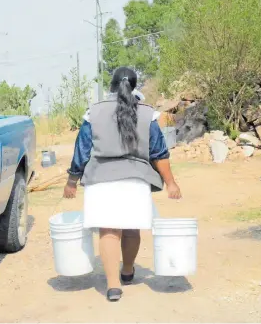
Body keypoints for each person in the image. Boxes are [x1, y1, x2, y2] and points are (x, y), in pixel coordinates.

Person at [63, 66, 182, 302]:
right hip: (135, 181)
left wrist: (71, 182)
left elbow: (82, 151)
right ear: (134, 86)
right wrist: (171, 184)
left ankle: (113, 286)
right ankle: (127, 270)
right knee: (130, 229)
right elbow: (159, 153)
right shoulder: (149, 115)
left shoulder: (93, 114)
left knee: (108, 231)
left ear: (111, 86)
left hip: (101, 180)